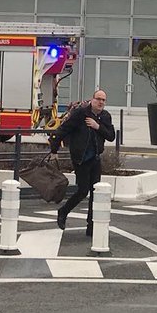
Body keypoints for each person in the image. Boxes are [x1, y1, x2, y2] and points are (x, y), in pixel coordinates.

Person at [50, 90, 115, 236]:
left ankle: (91, 226)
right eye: (98, 99)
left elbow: (111, 136)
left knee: (95, 192)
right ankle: (63, 211)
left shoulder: (105, 116)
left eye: (103, 100)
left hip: (95, 158)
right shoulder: (81, 114)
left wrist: (97, 126)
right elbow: (64, 129)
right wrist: (54, 148)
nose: (101, 102)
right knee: (83, 190)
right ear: (92, 100)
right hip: (81, 158)